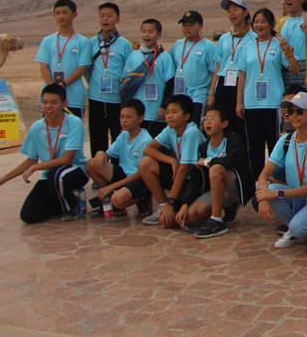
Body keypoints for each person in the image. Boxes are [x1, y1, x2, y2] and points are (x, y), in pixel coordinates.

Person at [0, 84, 89, 223]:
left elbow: (66, 159)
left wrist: (35, 168)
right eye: (45, 102)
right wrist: (3, 179)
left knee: (58, 175)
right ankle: (61, 201)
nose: (48, 107)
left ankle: (72, 208)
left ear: (64, 104)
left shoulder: (74, 123)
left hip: (74, 170)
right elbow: (31, 160)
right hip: (49, 175)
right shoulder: (37, 128)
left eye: (54, 103)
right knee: (29, 215)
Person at [254, 92, 307, 248]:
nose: (294, 116)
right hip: (295, 194)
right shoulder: (285, 140)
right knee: (265, 187)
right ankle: (297, 230)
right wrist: (263, 199)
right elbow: (264, 175)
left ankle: (305, 227)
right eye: (291, 111)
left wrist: (274, 194)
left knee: (274, 194)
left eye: (300, 111)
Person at [237, 8, 300, 179]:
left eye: (263, 22)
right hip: (251, 102)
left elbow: (294, 69)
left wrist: (289, 54)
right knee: (254, 145)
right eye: (256, 22)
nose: (259, 25)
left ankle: (275, 180)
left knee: (274, 143)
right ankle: (257, 182)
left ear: (271, 24)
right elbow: (242, 75)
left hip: (273, 102)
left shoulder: (278, 44)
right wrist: (239, 102)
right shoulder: (247, 45)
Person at [138, 94, 207, 228]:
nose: (169, 116)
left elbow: (184, 170)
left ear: (186, 116)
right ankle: (162, 206)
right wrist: (171, 160)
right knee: (146, 163)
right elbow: (148, 149)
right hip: (182, 178)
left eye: (174, 112)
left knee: (177, 220)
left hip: (197, 182)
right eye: (168, 112)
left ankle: (174, 206)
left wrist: (172, 202)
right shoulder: (170, 129)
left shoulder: (191, 132)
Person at [186, 106, 254, 238]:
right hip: (217, 190)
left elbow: (232, 160)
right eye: (206, 119)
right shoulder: (203, 147)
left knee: (216, 169)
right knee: (193, 214)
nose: (208, 122)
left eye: (212, 118)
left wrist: (208, 161)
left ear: (224, 123)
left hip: (235, 187)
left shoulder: (233, 139)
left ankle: (216, 220)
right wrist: (184, 203)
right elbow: (197, 178)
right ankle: (227, 208)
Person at [84, 99, 153, 216]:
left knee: (118, 200)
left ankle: (142, 199)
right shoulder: (124, 134)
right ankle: (108, 200)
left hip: (138, 179)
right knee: (92, 164)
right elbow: (108, 154)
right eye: (122, 117)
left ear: (140, 119)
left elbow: (141, 173)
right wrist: (101, 153)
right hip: (123, 173)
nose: (124, 120)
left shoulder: (145, 140)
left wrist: (111, 187)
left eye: (129, 117)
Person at [84, 2, 132, 156]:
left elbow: (128, 71)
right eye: (102, 16)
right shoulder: (91, 43)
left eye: (109, 16)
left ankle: (118, 168)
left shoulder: (124, 44)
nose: (105, 19)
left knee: (119, 138)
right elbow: (86, 69)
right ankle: (99, 169)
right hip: (95, 98)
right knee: (97, 139)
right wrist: (94, 84)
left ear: (117, 19)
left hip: (117, 100)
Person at [35, 0, 88, 118]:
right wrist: (52, 87)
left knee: (73, 127)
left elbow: (82, 68)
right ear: (53, 15)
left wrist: (64, 84)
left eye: (65, 13)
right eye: (57, 13)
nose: (61, 16)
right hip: (50, 99)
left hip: (74, 97)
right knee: (49, 128)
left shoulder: (83, 41)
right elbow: (43, 66)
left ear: (74, 14)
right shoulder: (47, 40)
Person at [121, 19, 176, 132]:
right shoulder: (134, 55)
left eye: (150, 32)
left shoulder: (165, 57)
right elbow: (125, 83)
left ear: (159, 34)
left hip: (156, 112)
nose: (146, 35)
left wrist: (164, 106)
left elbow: (170, 83)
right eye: (144, 31)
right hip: (136, 113)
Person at [210, 0, 255, 121]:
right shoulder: (224, 38)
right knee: (222, 121)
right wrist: (211, 93)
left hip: (242, 81)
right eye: (229, 11)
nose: (232, 14)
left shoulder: (254, 37)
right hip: (223, 82)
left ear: (245, 12)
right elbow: (217, 66)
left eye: (236, 10)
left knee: (239, 121)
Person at [170, 10, 218, 125]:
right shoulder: (177, 45)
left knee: (194, 127)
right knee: (179, 127)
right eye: (184, 25)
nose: (187, 28)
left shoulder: (208, 46)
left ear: (200, 26)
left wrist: (211, 94)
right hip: (179, 94)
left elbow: (215, 72)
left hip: (198, 95)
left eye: (191, 25)